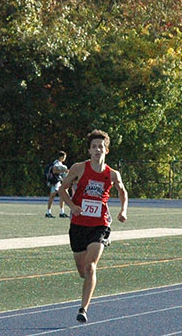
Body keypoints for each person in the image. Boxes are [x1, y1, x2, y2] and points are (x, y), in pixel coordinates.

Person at [60, 130, 128, 323]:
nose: (98, 150)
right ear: (89, 150)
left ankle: (83, 309)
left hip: (100, 225)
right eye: (94, 147)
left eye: (101, 147)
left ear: (107, 150)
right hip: (78, 225)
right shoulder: (79, 168)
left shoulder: (113, 174)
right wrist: (72, 206)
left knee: (91, 267)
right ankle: (87, 287)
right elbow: (62, 188)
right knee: (82, 270)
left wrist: (123, 210)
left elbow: (123, 192)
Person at [45, 151, 70, 218]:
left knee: (62, 196)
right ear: (61, 157)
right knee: (52, 196)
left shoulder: (60, 163)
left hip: (59, 182)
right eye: (64, 157)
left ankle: (62, 212)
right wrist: (64, 171)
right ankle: (48, 212)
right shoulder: (57, 163)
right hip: (55, 182)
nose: (65, 158)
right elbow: (54, 171)